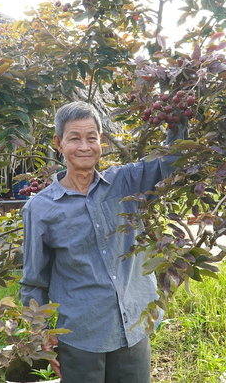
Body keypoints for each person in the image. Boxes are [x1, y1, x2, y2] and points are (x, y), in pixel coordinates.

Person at [20, 101, 184, 382]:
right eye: (74, 138)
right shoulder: (40, 209)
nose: (84, 146)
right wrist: (40, 336)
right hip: (80, 336)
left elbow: (170, 162)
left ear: (102, 142)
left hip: (134, 326)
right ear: (59, 143)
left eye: (91, 138)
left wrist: (178, 113)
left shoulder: (127, 182)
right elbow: (34, 280)